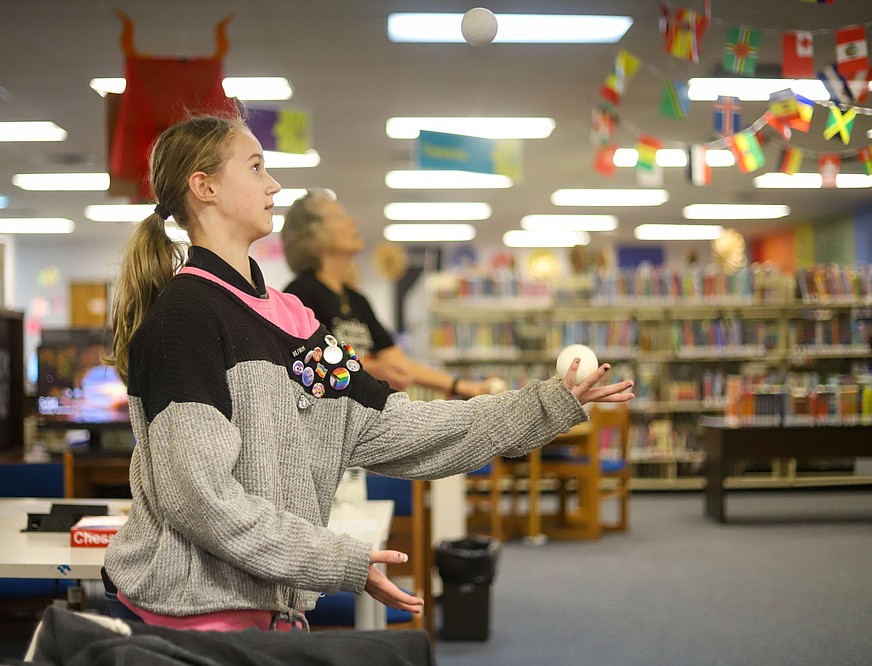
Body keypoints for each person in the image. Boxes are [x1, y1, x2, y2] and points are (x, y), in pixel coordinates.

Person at [103, 112, 634, 634]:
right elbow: (200, 499)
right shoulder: (184, 317)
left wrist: (548, 403)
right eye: (256, 166)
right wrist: (338, 559)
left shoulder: (294, 319)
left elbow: (393, 426)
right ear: (205, 187)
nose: (274, 183)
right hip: (192, 621)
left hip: (270, 618)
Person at [282, 189, 494, 398]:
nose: (352, 222)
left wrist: (461, 386)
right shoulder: (298, 296)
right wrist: (372, 369)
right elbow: (311, 362)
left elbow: (397, 362)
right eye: (339, 217)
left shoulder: (356, 299)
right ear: (312, 234)